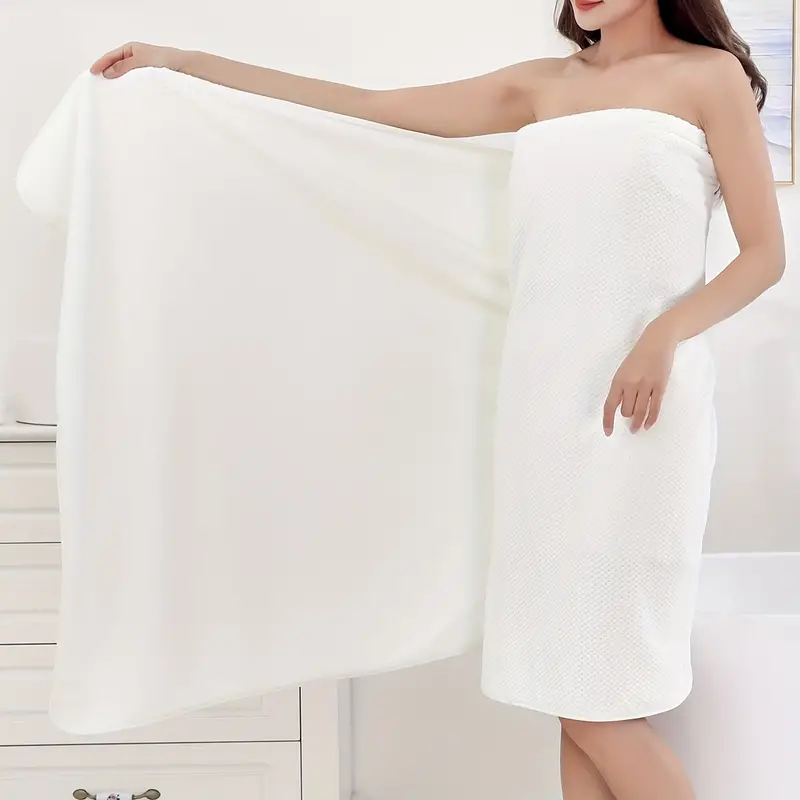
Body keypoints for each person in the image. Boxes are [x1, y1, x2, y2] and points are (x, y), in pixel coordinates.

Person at [91, 1, 785, 798]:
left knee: (601, 702)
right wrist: (186, 63)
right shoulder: (543, 85)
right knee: (570, 692)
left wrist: (664, 334)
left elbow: (764, 254)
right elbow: (367, 106)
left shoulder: (707, 76)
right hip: (542, 410)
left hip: (639, 415)